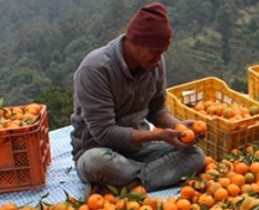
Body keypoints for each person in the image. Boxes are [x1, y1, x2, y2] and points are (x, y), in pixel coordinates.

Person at [70, 2, 205, 195]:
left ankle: (127, 183)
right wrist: (158, 135)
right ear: (134, 41)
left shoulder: (154, 64)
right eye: (155, 51)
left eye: (162, 52)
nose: (159, 58)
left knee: (195, 156)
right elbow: (105, 133)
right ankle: (146, 177)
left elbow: (157, 109)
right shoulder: (95, 69)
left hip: (139, 149)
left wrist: (178, 127)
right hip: (99, 149)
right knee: (95, 163)